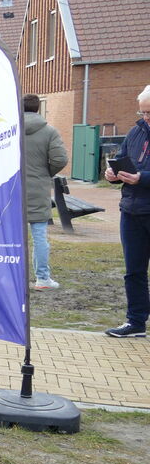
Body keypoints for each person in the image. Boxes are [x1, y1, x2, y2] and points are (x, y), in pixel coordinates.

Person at [104, 85, 150, 337]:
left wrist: (142, 178)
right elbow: (122, 158)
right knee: (134, 271)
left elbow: (140, 173)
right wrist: (113, 174)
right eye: (143, 112)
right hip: (131, 211)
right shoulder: (135, 132)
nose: (146, 117)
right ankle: (135, 322)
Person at [22, 95, 68, 291]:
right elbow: (60, 159)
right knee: (39, 236)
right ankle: (42, 279)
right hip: (38, 190)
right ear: (38, 108)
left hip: (12, 190)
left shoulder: (10, 130)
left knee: (12, 237)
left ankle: (13, 278)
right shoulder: (49, 132)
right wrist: (44, 173)